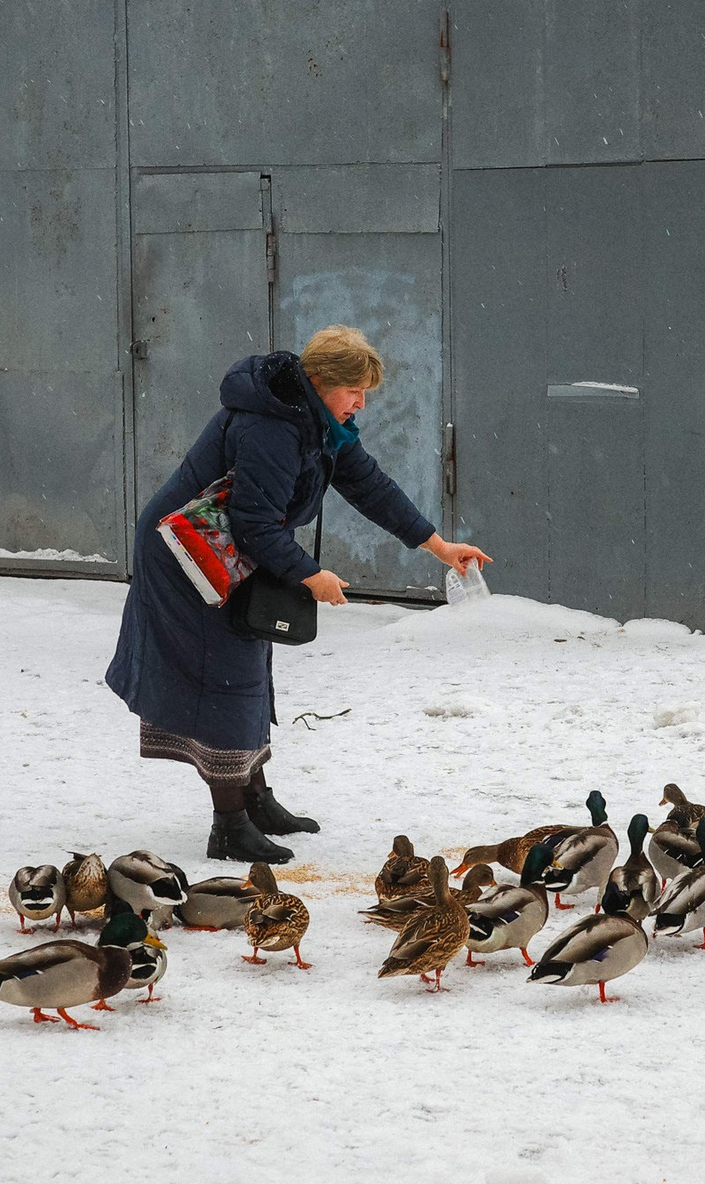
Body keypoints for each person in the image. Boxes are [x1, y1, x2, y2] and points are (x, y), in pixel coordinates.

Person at [105, 325, 492, 863]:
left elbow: (368, 483)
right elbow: (256, 524)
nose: (360, 403)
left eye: (365, 393)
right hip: (187, 557)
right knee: (225, 681)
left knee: (248, 669)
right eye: (353, 391)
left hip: (230, 550)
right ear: (318, 381)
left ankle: (256, 799)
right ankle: (229, 825)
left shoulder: (318, 421)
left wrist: (436, 545)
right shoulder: (274, 429)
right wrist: (312, 576)